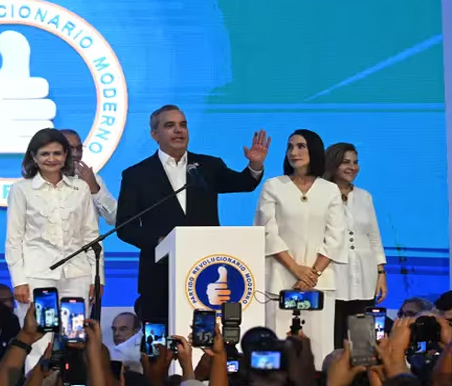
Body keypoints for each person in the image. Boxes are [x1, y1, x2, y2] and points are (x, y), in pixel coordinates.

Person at [117, 104, 270, 321]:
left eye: (183, 125)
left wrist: (254, 164)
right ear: (154, 134)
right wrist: (161, 240)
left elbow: (244, 183)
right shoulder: (137, 175)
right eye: (170, 125)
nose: (179, 130)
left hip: (205, 269)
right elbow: (125, 227)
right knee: (161, 340)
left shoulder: (208, 166)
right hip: (160, 274)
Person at [5, 128, 103, 371]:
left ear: (66, 155)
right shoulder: (21, 189)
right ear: (33, 157)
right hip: (37, 276)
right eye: (45, 153)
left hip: (77, 275)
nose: (51, 159)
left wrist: (96, 276)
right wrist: (18, 281)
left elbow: (91, 235)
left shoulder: (80, 188)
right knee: (39, 341)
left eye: (57, 153)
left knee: (75, 339)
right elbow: (14, 240)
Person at [254, 129, 346, 368]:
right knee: (280, 350)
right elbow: (267, 231)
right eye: (290, 147)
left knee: (318, 350)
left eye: (301, 146)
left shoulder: (329, 190)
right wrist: (296, 269)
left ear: (313, 150)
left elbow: (336, 235)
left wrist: (312, 274)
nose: (294, 152)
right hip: (281, 279)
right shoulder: (273, 186)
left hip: (320, 283)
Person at [324, 142, 388, 348]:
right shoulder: (321, 194)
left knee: (362, 341)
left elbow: (374, 236)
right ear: (333, 165)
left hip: (364, 274)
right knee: (334, 339)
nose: (353, 167)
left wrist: (381, 272)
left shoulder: (364, 196)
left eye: (355, 162)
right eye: (346, 162)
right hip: (333, 274)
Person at [60, 129, 118, 225]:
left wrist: (95, 190)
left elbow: (115, 218)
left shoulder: (92, 180)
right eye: (70, 149)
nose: (76, 154)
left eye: (79, 149)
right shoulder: (35, 182)